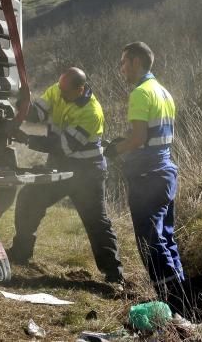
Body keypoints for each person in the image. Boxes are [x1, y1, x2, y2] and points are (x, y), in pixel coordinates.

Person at [9, 67, 124, 286]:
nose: (60, 94)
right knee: (29, 199)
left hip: (87, 173)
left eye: (65, 91)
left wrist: (26, 139)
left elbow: (62, 147)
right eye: (59, 88)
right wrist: (23, 103)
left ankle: (114, 275)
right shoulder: (58, 90)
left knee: (96, 222)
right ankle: (20, 253)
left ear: (80, 90)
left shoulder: (92, 112)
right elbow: (36, 114)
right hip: (60, 166)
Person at [105, 42, 186, 311]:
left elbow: (138, 138)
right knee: (166, 240)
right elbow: (152, 138)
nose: (121, 69)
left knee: (150, 244)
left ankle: (173, 305)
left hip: (147, 178)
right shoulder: (163, 92)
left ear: (137, 61)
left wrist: (114, 149)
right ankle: (184, 299)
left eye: (124, 62)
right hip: (165, 173)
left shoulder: (140, 93)